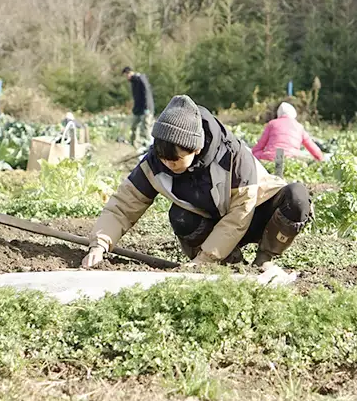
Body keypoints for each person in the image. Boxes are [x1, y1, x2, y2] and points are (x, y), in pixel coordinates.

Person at [82, 95, 311, 269]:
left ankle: (263, 262)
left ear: (197, 148)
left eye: (176, 160)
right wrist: (100, 243)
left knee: (297, 197)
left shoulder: (233, 156)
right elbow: (123, 206)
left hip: (254, 214)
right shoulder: (154, 163)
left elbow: (239, 217)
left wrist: (206, 257)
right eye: (163, 158)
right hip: (211, 221)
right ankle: (229, 265)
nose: (168, 164)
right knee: (180, 217)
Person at [252, 102, 324, 162]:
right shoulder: (299, 127)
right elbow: (311, 146)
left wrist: (255, 154)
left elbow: (259, 146)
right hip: (292, 159)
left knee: (256, 155)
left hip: (270, 158)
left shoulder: (272, 124)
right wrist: (320, 158)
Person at [122, 66, 154, 147]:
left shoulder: (140, 78)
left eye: (126, 75)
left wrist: (146, 108)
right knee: (134, 127)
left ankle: (148, 147)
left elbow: (146, 93)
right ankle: (135, 145)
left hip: (146, 108)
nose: (126, 78)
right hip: (138, 109)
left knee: (145, 128)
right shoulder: (133, 82)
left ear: (129, 73)